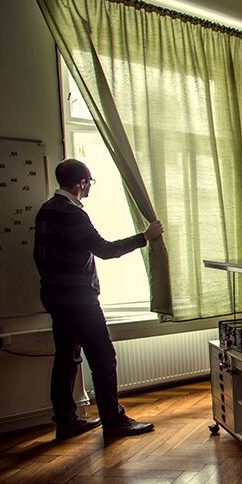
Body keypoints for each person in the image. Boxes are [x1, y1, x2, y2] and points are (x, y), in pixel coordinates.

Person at [34, 159, 164, 440]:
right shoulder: (72, 213)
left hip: (55, 298)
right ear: (81, 183)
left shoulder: (46, 209)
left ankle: (66, 421)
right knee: (103, 359)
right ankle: (114, 422)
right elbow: (104, 250)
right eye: (90, 182)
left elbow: (39, 256)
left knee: (66, 359)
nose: (90, 187)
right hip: (78, 301)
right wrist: (144, 237)